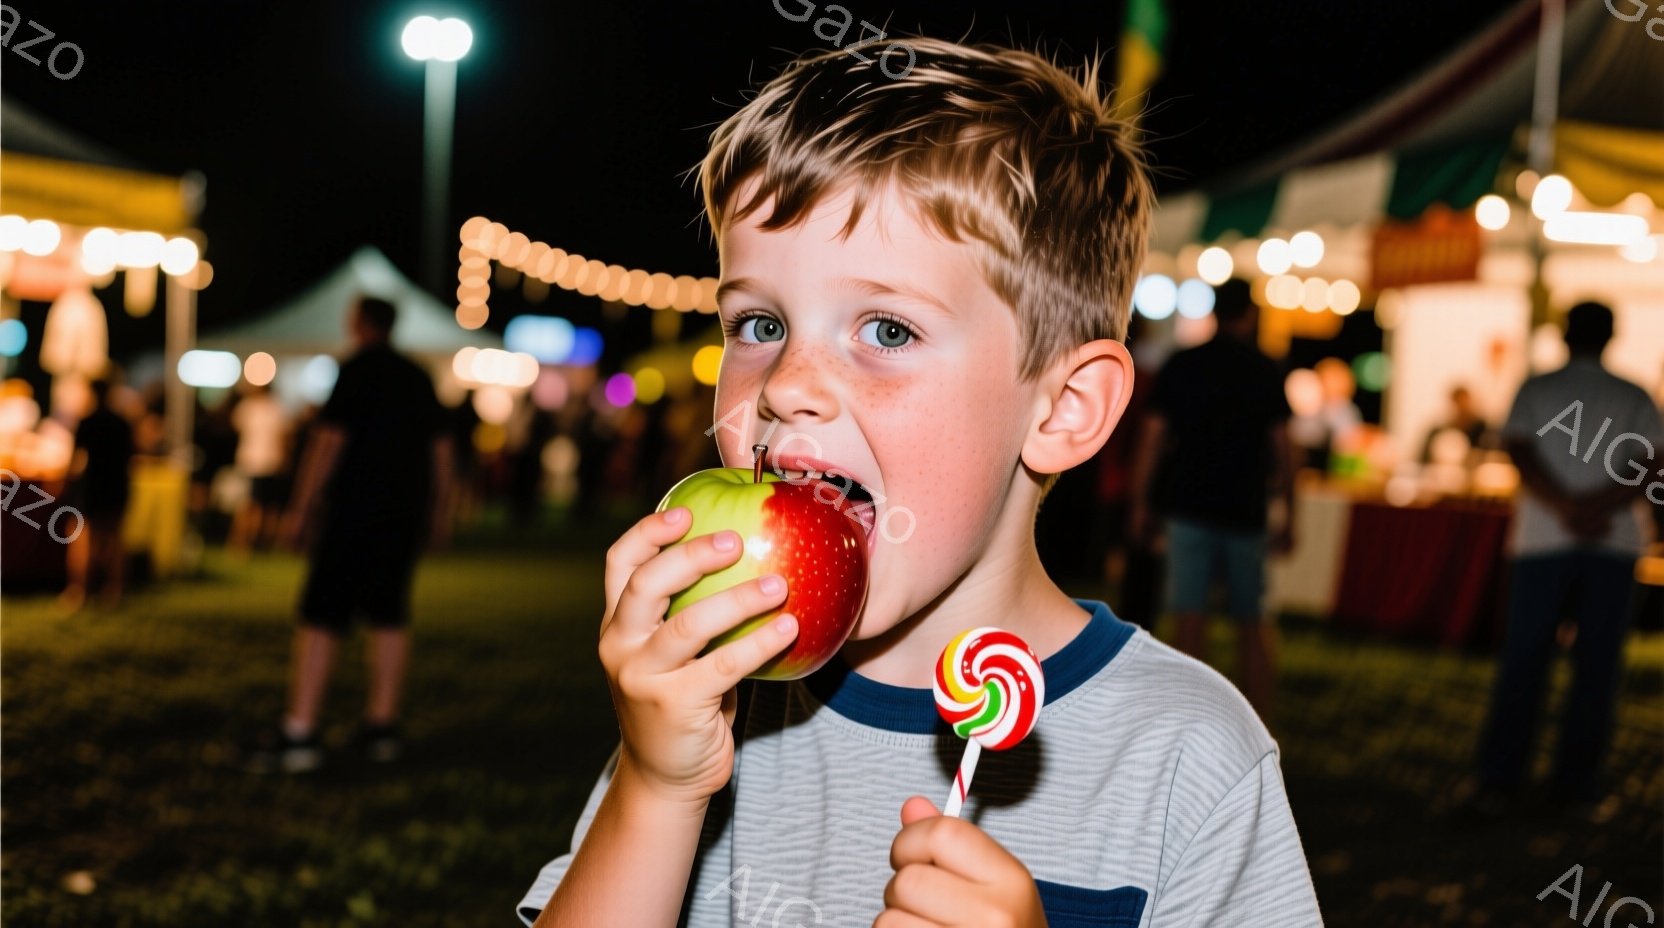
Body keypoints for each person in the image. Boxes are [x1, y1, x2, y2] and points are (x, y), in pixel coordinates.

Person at [517, 39, 1322, 927]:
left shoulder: (1187, 759)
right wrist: (658, 783)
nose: (785, 384)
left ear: (1063, 409)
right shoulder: (710, 708)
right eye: (758, 322)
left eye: (887, 331)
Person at [1461, 301, 1664, 814]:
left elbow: (1519, 452)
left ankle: (1502, 777)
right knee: (1596, 666)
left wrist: (1564, 506)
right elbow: (1651, 463)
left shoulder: (1537, 389)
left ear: (1564, 334)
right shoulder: (1633, 394)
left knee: (1525, 659)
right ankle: (1576, 783)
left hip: (1541, 540)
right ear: (1611, 335)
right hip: (1612, 543)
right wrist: (1599, 506)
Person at [244, 297, 454, 773]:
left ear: (359, 322)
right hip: (402, 517)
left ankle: (300, 729)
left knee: (322, 616)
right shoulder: (416, 375)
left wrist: (300, 507)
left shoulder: (355, 369)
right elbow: (442, 449)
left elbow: (328, 442)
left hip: (352, 514)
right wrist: (440, 512)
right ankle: (381, 726)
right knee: (389, 615)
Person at [1128, 278, 1297, 719]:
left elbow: (1152, 437)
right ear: (1250, 314)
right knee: (1252, 620)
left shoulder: (1183, 364)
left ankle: (1190, 718)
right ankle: (1259, 722)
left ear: (1215, 313)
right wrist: (1292, 511)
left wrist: (1140, 501)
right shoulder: (1265, 368)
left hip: (1187, 505)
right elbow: (1284, 447)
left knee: (1188, 616)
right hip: (1245, 508)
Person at [59, 375, 135, 613]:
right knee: (114, 539)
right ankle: (114, 590)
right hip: (117, 485)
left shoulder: (87, 422)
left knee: (83, 539)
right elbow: (131, 456)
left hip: (92, 485)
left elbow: (74, 460)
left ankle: (80, 590)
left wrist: (63, 484)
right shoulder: (122, 423)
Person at [228, 380, 288, 554]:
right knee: (253, 506)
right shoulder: (263, 408)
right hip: (256, 462)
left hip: (262, 462)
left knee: (257, 506)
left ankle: (251, 543)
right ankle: (245, 542)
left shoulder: (266, 408)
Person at [1420, 383, 1491, 463]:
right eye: (1458, 402)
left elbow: (1484, 454)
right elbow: (1424, 457)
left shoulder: (1480, 429)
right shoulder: (1439, 430)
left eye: (1464, 401)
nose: (1462, 406)